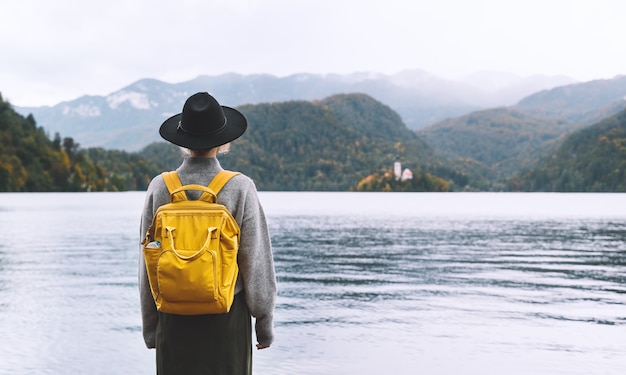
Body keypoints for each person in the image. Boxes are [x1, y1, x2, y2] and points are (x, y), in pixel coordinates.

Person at [139, 92, 277, 375]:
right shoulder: (240, 187)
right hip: (227, 321)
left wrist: (151, 328)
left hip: (172, 320)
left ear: (182, 142)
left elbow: (148, 264)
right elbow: (256, 263)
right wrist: (263, 325)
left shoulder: (159, 187)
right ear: (224, 141)